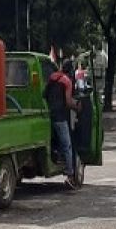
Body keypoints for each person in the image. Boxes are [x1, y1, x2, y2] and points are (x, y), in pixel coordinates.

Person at [45, 58, 80, 189]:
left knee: (55, 140)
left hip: (49, 116)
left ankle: (58, 157)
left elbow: (45, 94)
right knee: (67, 146)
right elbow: (68, 101)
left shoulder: (52, 78)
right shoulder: (67, 81)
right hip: (60, 117)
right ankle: (70, 176)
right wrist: (77, 106)